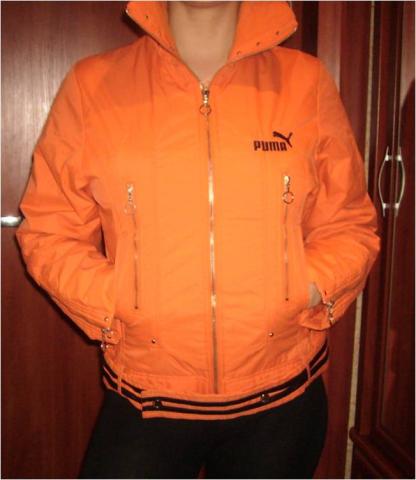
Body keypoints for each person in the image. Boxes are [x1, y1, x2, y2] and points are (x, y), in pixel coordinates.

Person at [16, 1, 380, 478]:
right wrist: (118, 300)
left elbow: (348, 223)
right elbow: (50, 228)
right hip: (145, 399)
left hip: (281, 400)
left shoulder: (304, 82)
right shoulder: (93, 85)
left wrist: (303, 288)